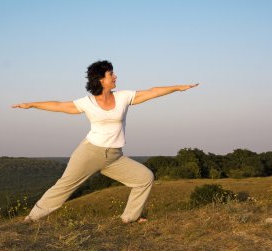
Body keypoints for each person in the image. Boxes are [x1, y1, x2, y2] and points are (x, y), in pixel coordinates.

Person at [12, 60, 199, 223]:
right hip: (90, 153)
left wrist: (177, 88)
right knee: (63, 187)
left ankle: (130, 218)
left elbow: (152, 92)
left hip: (114, 157)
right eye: (111, 74)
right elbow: (59, 105)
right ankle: (31, 219)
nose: (115, 76)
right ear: (101, 79)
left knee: (144, 178)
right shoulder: (88, 102)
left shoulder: (123, 97)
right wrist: (32, 104)